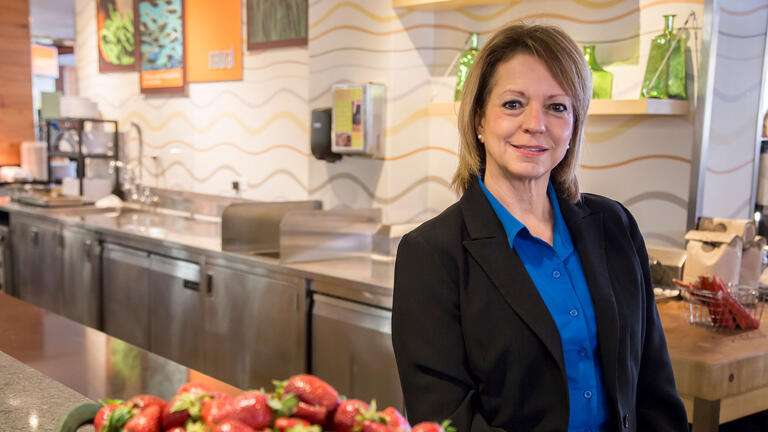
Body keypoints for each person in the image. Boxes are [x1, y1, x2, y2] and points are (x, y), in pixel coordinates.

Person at [391, 23, 688, 432]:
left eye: (557, 106)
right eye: (513, 104)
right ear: (479, 119)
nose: (536, 123)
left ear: (573, 126)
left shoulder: (615, 226)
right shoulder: (431, 254)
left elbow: (655, 389)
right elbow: (445, 419)